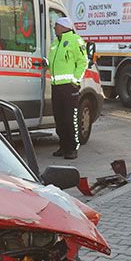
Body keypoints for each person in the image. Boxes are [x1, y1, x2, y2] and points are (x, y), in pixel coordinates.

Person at [49, 16, 87, 159]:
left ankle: (72, 148)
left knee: (70, 118)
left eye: (56, 25)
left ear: (64, 26)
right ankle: (63, 146)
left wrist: (75, 81)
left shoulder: (75, 40)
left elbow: (83, 62)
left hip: (69, 87)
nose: (54, 28)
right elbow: (56, 63)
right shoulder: (55, 43)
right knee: (59, 119)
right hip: (56, 87)